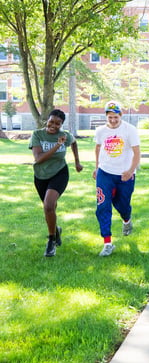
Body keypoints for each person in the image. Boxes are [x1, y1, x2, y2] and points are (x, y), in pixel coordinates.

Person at [29, 109, 83, 257]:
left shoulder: (64, 136)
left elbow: (74, 142)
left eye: (58, 123)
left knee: (48, 205)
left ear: (62, 124)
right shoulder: (37, 135)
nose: (53, 125)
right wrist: (57, 146)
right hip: (41, 174)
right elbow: (38, 158)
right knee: (49, 209)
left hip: (60, 172)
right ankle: (56, 230)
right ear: (47, 120)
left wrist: (77, 162)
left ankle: (51, 241)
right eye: (51, 121)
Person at [93, 101, 141, 257]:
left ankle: (127, 220)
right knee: (103, 206)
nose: (113, 120)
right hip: (105, 173)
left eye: (116, 117)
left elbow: (137, 152)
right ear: (106, 116)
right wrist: (97, 167)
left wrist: (130, 171)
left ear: (121, 115)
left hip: (124, 174)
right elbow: (98, 147)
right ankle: (107, 243)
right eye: (110, 117)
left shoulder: (130, 130)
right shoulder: (101, 131)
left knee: (122, 204)